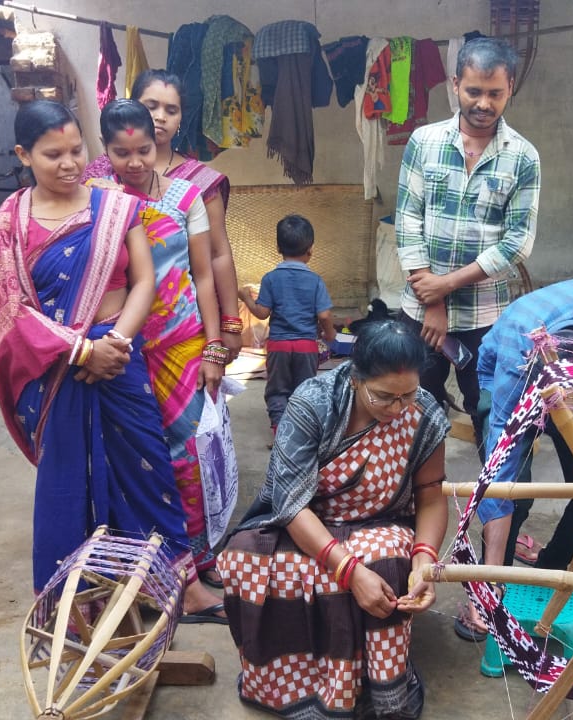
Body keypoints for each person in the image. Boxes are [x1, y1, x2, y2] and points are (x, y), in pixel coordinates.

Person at [0, 100, 223, 621]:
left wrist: (117, 341)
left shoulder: (115, 207)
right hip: (57, 367)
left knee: (148, 466)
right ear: (24, 154)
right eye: (52, 154)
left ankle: (182, 586)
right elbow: (8, 310)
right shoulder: (8, 223)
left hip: (120, 354)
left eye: (75, 150)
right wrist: (81, 349)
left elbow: (144, 282)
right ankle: (74, 604)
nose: (69, 163)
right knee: (69, 477)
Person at [218, 321, 449, 719]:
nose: (398, 409)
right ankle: (289, 688)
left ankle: (377, 694)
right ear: (356, 379)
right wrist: (348, 570)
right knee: (244, 559)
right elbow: (290, 504)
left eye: (407, 395)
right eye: (385, 397)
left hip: (380, 521)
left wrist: (425, 561)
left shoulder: (423, 413)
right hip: (305, 520)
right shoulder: (315, 402)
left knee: (388, 561)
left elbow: (430, 493)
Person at [87, 98, 232, 600]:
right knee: (135, 458)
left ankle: (197, 554)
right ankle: (142, 562)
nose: (134, 163)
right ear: (104, 150)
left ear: (158, 143)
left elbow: (204, 274)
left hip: (181, 343)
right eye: (121, 152)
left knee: (190, 454)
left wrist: (214, 346)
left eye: (143, 150)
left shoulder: (185, 196)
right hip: (122, 352)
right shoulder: (94, 199)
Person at [453, 279, 573, 641]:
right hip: (509, 370)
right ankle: (495, 586)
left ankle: (553, 567)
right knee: (513, 489)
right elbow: (498, 477)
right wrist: (487, 579)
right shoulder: (515, 371)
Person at [394, 37, 540, 428]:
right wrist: (434, 299)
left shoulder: (523, 156)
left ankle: (495, 492)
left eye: (495, 93)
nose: (484, 103)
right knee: (413, 414)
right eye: (474, 91)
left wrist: (445, 286)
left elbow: (517, 242)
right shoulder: (424, 142)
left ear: (510, 88)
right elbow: (408, 220)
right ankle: (422, 491)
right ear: (455, 83)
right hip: (420, 312)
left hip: (485, 318)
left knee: (491, 414)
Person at [83, 70, 244, 363]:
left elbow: (217, 254)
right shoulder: (97, 178)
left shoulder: (199, 181)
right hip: (114, 330)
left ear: (182, 117)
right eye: (151, 106)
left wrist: (229, 323)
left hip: (181, 323)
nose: (160, 117)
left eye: (172, 110)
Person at [237, 214, 336, 433]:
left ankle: (280, 431)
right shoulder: (315, 280)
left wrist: (246, 298)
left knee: (277, 390)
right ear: (310, 249)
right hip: (306, 346)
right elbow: (325, 316)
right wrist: (330, 335)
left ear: (278, 247)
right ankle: (301, 434)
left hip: (278, 345)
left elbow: (262, 313)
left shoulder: (271, 278)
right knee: (304, 390)